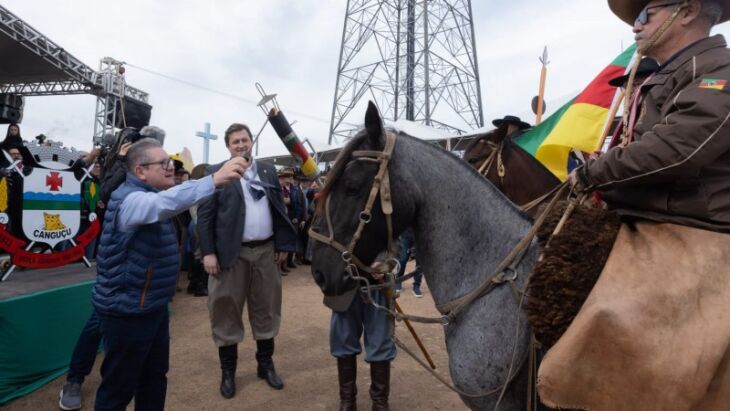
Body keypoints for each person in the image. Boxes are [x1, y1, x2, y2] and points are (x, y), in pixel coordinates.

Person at [89, 138, 247, 410]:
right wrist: (213, 180)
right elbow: (162, 204)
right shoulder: (129, 200)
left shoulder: (147, 195)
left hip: (151, 308)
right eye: (163, 164)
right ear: (140, 171)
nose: (171, 167)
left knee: (153, 379)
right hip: (127, 313)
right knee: (118, 390)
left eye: (171, 163)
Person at [570, 0, 730, 233]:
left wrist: (591, 173)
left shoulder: (719, 70)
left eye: (645, 15)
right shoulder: (675, 73)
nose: (635, 26)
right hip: (652, 211)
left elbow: (677, 147)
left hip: (694, 221)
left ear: (687, 12)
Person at [197, 123, 296, 399]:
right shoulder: (216, 172)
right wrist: (208, 253)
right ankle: (228, 372)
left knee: (267, 308)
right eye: (235, 142)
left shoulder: (266, 171)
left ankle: (265, 365)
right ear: (228, 147)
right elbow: (205, 216)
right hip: (230, 255)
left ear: (252, 141)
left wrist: (284, 244)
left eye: (244, 140)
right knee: (225, 311)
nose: (240, 145)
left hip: (265, 251)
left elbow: (278, 209)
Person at [327, 261, 396, 411]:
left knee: (381, 343)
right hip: (343, 287)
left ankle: (380, 403)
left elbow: (396, 243)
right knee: (343, 342)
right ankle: (347, 401)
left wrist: (384, 265)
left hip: (378, 287)